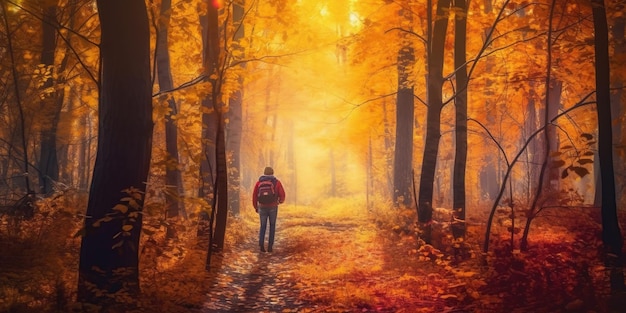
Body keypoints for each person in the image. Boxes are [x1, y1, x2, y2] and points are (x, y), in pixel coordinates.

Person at [252, 166, 285, 253]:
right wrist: (280, 201)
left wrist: (256, 206)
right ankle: (270, 246)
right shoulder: (277, 182)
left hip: (262, 206)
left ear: (264, 173)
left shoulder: (259, 182)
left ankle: (261, 245)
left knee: (263, 226)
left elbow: (254, 195)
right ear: (272, 173)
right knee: (272, 226)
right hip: (273, 206)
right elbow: (282, 194)